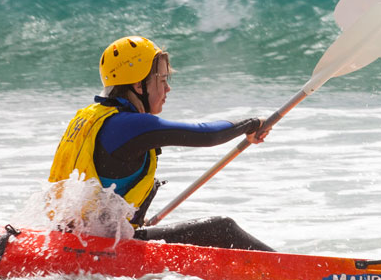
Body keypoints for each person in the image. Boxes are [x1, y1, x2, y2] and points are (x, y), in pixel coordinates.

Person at [49, 35, 273, 250]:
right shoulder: (130, 125)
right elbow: (207, 135)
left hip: (70, 240)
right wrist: (252, 123)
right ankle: (304, 279)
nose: (168, 89)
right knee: (222, 228)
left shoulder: (91, 118)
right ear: (138, 85)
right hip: (101, 250)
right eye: (162, 80)